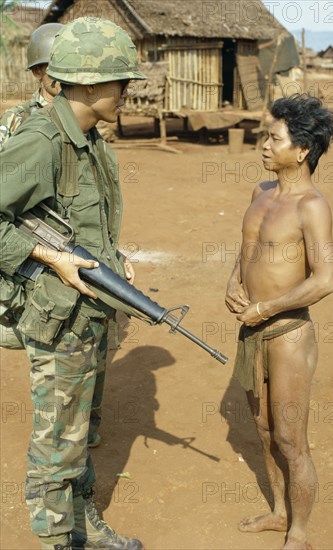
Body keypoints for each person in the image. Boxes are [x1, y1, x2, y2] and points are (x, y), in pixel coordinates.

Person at [0, 17, 146, 550]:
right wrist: (47, 256)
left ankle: (85, 527)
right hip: (56, 319)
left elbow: (83, 224)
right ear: (85, 84)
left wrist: (116, 256)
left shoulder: (91, 142)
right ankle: (57, 542)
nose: (127, 92)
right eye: (121, 82)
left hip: (89, 316)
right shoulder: (40, 141)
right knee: (56, 445)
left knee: (82, 435)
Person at [225, 94, 333, 550]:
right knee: (264, 429)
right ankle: (277, 512)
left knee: (291, 438)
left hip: (289, 335)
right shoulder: (262, 193)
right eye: (264, 137)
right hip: (252, 328)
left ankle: (300, 531)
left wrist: (267, 308)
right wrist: (234, 281)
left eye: (275, 138)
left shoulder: (312, 206)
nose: (264, 146)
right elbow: (247, 250)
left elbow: (326, 279)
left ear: (302, 151)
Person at [0, 23, 63, 149]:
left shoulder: (81, 116)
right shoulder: (16, 118)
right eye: (56, 66)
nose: (65, 75)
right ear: (37, 71)